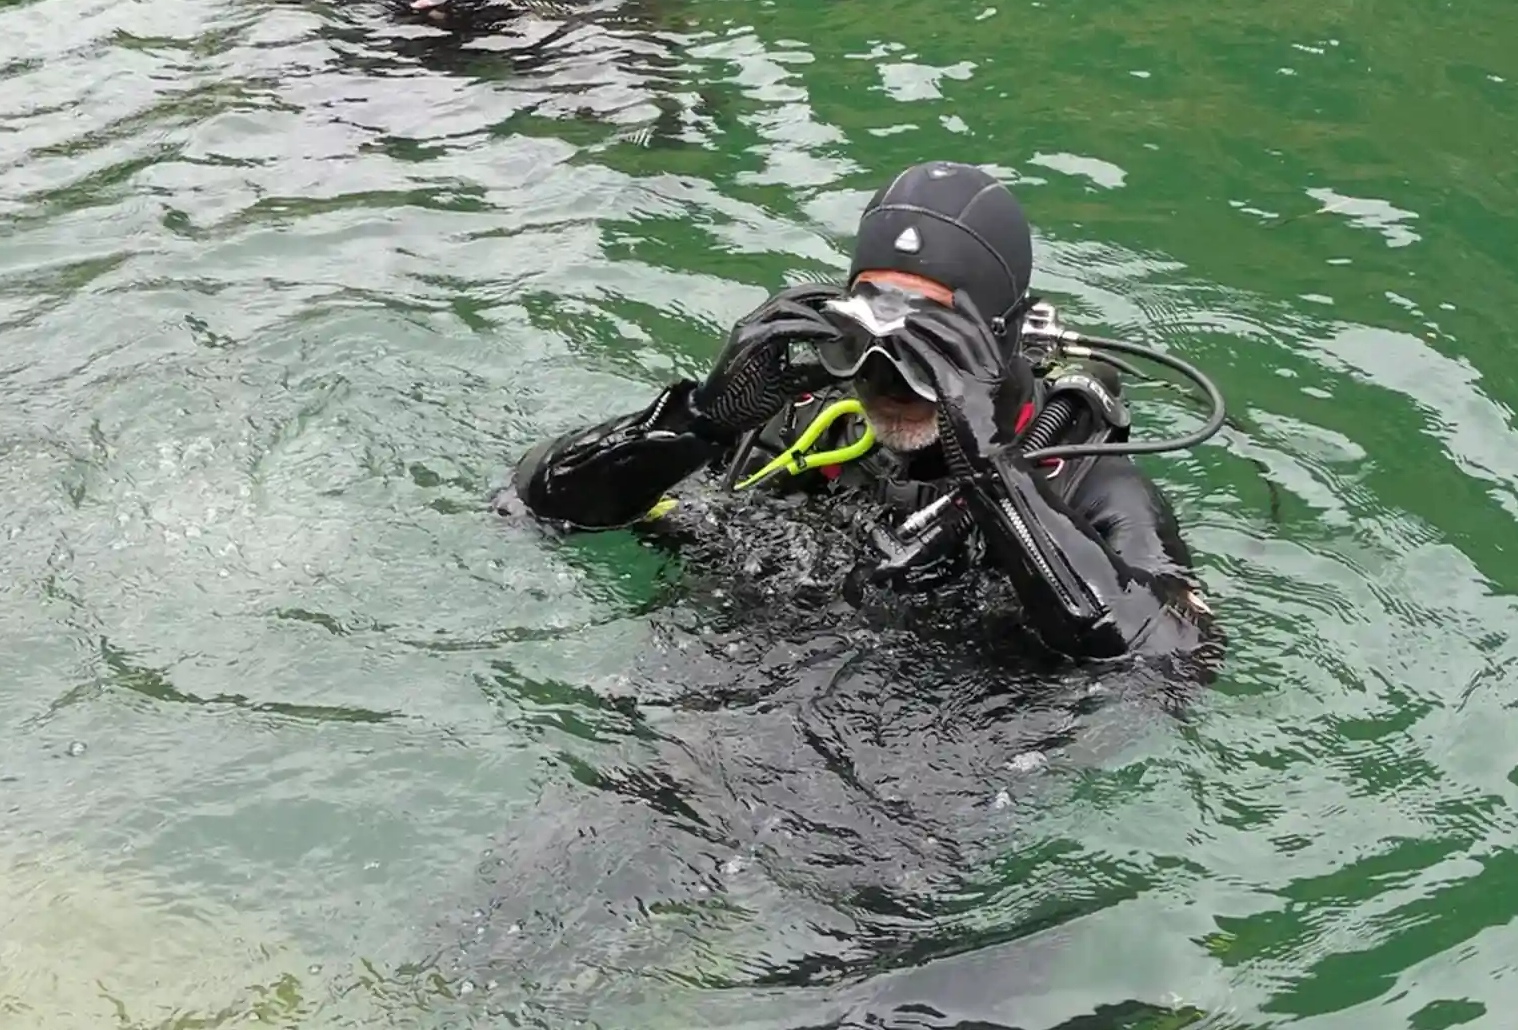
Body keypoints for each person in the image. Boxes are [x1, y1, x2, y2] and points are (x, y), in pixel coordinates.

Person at [511, 162, 1215, 665]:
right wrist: (702, 419)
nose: (890, 373)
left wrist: (995, 470)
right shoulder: (806, 422)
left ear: (1002, 334)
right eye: (874, 334)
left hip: (919, 773)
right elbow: (541, 506)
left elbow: (1174, 658)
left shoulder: (1091, 484)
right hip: (717, 700)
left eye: (935, 342)